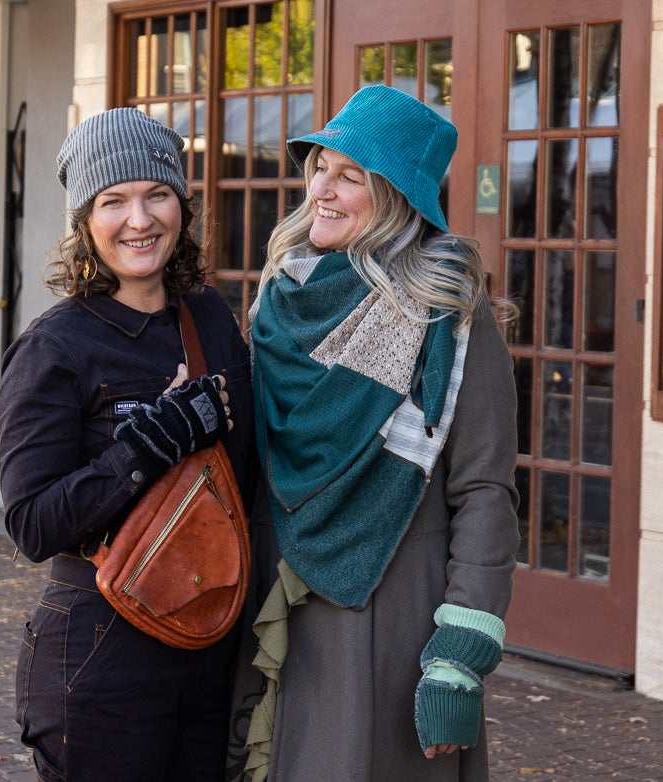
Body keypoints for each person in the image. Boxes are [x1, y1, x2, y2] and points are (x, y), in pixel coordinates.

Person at [236, 85, 519, 781]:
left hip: (391, 615)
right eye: (319, 166)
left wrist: (458, 656)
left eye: (350, 175)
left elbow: (485, 490)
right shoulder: (280, 296)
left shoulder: (447, 310)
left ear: (394, 197)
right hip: (277, 592)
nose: (322, 190)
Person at [0, 108, 256, 782]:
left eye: (157, 194)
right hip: (101, 654)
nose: (140, 219)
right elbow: (31, 525)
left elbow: (247, 484)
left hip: (209, 643)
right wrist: (151, 444)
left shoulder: (211, 325)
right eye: (114, 201)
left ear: (182, 205)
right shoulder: (55, 348)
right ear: (85, 221)